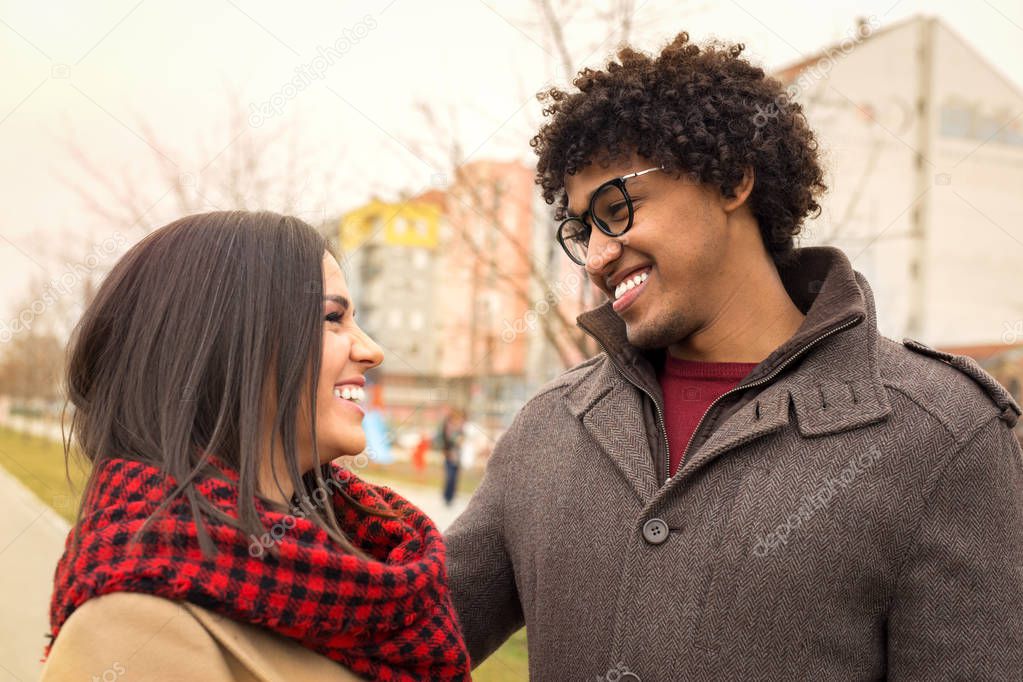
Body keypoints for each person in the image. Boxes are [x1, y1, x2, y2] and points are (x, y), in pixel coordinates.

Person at [444, 32, 1023, 680]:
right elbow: (398, 640)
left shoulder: (942, 434)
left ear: (730, 179)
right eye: (583, 230)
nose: (598, 256)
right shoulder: (548, 427)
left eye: (617, 209)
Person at [42, 211, 471, 681]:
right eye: (333, 318)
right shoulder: (128, 628)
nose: (372, 350)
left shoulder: (371, 568)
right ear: (226, 346)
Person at [438, 407, 466, 506]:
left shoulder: (460, 428)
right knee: (449, 476)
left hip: (457, 456)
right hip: (448, 455)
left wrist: (460, 441)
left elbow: (462, 439)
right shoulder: (447, 427)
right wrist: (445, 451)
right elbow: (444, 440)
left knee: (455, 478)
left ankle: (451, 497)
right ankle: (446, 496)